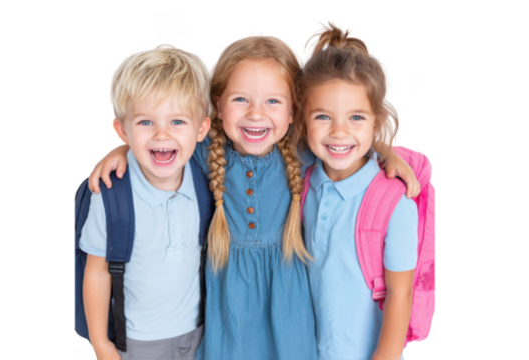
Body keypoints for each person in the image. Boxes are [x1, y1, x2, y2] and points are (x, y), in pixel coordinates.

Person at [85, 31, 420, 360]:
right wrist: (122, 149)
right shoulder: (206, 150)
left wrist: (386, 155)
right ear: (217, 105)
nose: (256, 114)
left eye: (273, 101)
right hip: (227, 306)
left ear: (293, 111)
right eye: (240, 99)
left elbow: (342, 141)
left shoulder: (301, 151)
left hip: (288, 306)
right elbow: (169, 135)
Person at [295, 19, 418, 360]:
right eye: (323, 117)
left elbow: (400, 293)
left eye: (356, 118)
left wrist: (386, 356)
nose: (339, 132)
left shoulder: (394, 203)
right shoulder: (302, 179)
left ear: (376, 122)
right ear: (302, 119)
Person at [82, 43, 212, 360]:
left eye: (177, 122)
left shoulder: (205, 176)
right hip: (136, 343)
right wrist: (100, 343)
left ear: (201, 128)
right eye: (145, 122)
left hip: (199, 335)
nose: (162, 135)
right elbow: (96, 272)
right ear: (122, 130)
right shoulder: (111, 193)